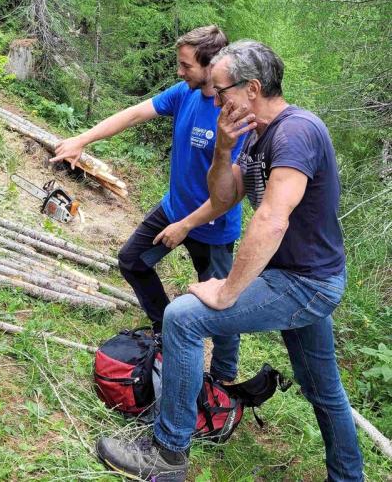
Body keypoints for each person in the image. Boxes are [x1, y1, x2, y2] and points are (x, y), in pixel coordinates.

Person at [96, 40, 363, 482]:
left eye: (223, 92)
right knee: (323, 389)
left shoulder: (297, 133)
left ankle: (168, 453)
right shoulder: (256, 134)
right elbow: (222, 198)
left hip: (305, 283)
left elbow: (273, 219)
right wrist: (222, 150)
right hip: (302, 277)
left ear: (253, 87)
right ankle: (349, 477)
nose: (216, 101)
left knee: (183, 317)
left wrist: (228, 289)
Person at [51, 25, 244, 382]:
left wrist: (187, 226)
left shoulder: (234, 114)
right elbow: (135, 114)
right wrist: (82, 139)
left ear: (209, 65)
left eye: (185, 65)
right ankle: (165, 328)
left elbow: (230, 192)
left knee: (221, 302)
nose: (179, 71)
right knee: (131, 261)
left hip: (212, 226)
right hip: (173, 208)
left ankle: (223, 375)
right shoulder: (184, 93)